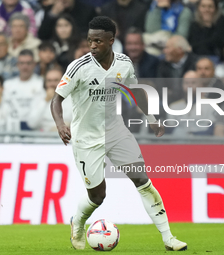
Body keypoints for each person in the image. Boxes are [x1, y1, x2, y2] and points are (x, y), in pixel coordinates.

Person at [50, 16, 187, 251]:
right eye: (90, 40)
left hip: (116, 132)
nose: (92, 45)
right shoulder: (78, 67)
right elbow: (56, 99)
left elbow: (136, 92)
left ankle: (168, 238)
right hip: (86, 139)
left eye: (98, 41)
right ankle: (78, 222)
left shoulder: (124, 63)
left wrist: (151, 118)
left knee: (143, 181)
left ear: (111, 41)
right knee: (97, 197)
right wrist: (61, 123)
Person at [4, 49, 44, 129]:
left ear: (34, 64)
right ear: (17, 65)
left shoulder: (41, 83)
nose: (25, 67)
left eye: (28, 63)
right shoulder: (8, 84)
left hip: (36, 128)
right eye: (22, 63)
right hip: (12, 127)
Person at [167, 71, 215, 136]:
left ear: (201, 85)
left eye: (193, 82)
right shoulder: (173, 107)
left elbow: (211, 131)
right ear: (182, 85)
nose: (189, 85)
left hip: (202, 143)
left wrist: (192, 136)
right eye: (186, 83)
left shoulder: (210, 105)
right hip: (179, 143)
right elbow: (170, 130)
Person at [157, 35, 198, 103]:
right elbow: (160, 88)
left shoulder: (195, 63)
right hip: (168, 102)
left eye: (167, 48)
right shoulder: (163, 64)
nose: (164, 51)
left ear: (179, 50)